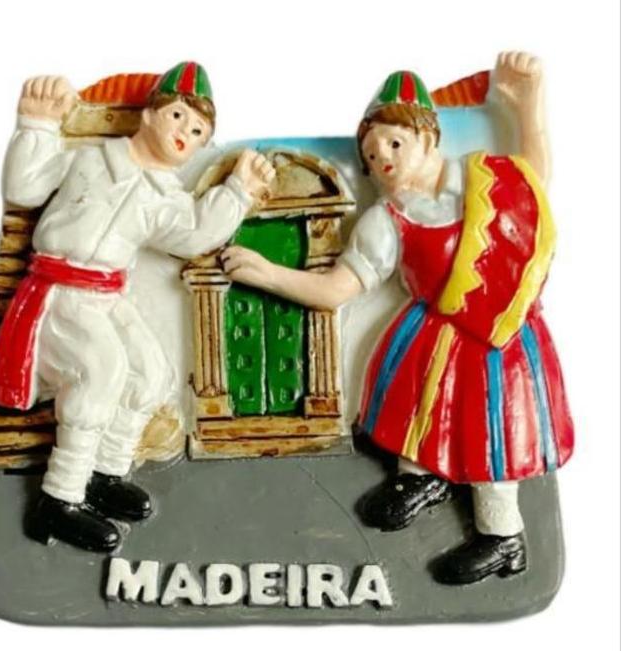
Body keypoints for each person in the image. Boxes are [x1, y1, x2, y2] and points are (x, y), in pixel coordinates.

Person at [220, 52, 573, 584]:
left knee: (490, 431)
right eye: (370, 152)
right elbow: (336, 289)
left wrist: (529, 104)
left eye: (393, 143)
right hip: (432, 333)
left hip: (496, 338)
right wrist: (267, 273)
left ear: (428, 139)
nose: (381, 157)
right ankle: (421, 479)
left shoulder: (481, 179)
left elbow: (533, 184)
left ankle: (502, 536)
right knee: (416, 409)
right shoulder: (384, 221)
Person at [0, 62, 275, 552]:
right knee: (99, 371)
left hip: (107, 295)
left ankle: (105, 472)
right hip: (61, 291)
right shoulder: (91, 159)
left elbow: (195, 236)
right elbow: (24, 186)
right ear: (148, 114)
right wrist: (37, 124)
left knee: (151, 373)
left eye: (198, 131)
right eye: (178, 116)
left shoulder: (165, 195)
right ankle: (57, 499)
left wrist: (237, 192)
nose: (185, 132)